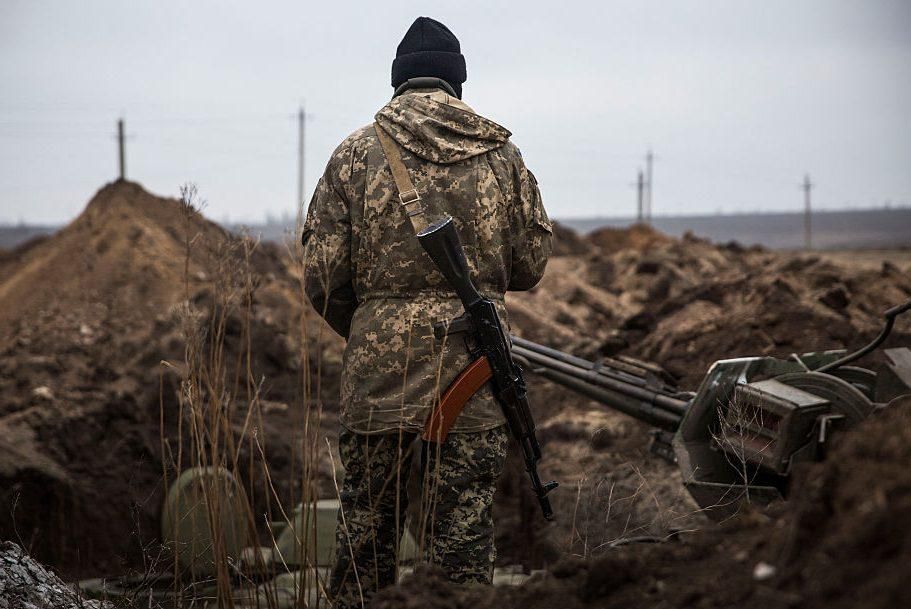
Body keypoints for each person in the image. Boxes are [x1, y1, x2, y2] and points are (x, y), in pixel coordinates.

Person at [301, 15, 552, 607]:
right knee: (462, 549)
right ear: (456, 82)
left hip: (377, 381)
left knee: (365, 546)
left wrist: (373, 329)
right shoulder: (502, 156)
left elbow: (322, 275)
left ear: (399, 82)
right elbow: (531, 264)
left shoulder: (353, 155)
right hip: (475, 370)